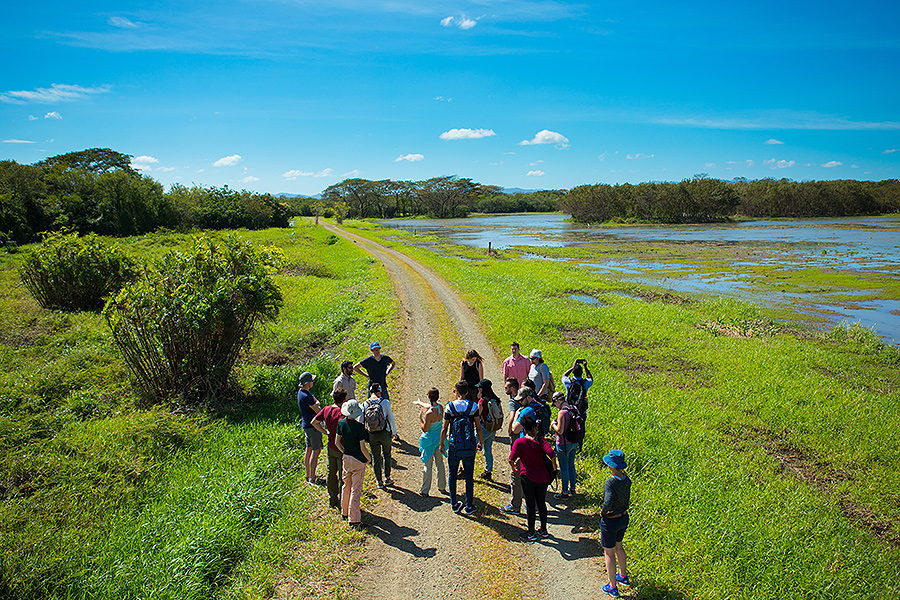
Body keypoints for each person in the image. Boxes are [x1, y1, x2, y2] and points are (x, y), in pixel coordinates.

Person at [508, 414, 556, 542]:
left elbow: (511, 459)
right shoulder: (541, 440)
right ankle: (544, 530)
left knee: (530, 505)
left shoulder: (520, 442)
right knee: (541, 503)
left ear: (524, 429)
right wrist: (554, 467)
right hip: (543, 477)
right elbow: (552, 454)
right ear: (535, 428)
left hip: (528, 477)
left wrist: (514, 467)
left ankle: (531, 533)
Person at [440, 381, 483, 515]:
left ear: (456, 392)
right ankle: (469, 505)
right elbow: (478, 427)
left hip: (455, 445)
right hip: (469, 445)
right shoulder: (473, 406)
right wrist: (480, 442)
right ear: (467, 392)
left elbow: (444, 428)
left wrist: (442, 444)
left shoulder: (450, 406)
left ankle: (454, 504)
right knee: (469, 476)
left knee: (452, 474)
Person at [600, 449, 631, 597]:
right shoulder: (626, 479)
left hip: (611, 520)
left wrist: (603, 512)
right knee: (619, 546)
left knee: (609, 553)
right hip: (623, 517)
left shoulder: (610, 482)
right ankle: (623, 576)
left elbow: (608, 502)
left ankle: (612, 586)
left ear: (611, 465)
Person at [336, 399, 371, 527]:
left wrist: (345, 452)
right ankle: (354, 519)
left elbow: (337, 442)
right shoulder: (360, 427)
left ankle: (344, 511)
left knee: (346, 486)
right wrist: (368, 458)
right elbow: (362, 447)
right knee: (356, 489)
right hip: (358, 460)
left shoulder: (341, 423)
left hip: (346, 458)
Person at [500, 386, 534, 515]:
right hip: (535, 446)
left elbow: (515, 429)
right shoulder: (538, 406)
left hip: (524, 447)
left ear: (528, 397)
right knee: (532, 477)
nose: (520, 402)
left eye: (521, 399)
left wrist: (517, 415)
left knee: (516, 475)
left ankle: (515, 506)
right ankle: (534, 505)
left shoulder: (526, 411)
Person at [311, 388, 346, 509]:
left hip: (331, 446)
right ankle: (342, 501)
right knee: (342, 475)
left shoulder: (326, 409)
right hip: (341, 446)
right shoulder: (342, 413)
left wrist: (325, 432)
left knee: (331, 473)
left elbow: (314, 422)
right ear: (344, 400)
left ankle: (332, 499)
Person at [360, 382, 398, 489]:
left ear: (370, 392)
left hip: (372, 434)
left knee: (375, 457)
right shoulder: (385, 402)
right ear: (380, 392)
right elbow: (391, 418)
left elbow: (361, 421)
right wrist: (394, 432)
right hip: (385, 432)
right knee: (387, 455)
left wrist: (362, 435)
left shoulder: (364, 404)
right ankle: (387, 478)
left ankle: (379, 481)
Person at [415, 387, 447, 497]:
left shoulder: (428, 414)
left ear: (428, 396)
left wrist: (420, 417)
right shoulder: (440, 407)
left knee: (428, 465)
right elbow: (431, 406)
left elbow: (425, 429)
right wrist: (420, 403)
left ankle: (425, 490)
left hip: (429, 441)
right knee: (440, 463)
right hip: (439, 439)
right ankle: (442, 486)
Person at [550, 391, 578, 498]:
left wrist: (553, 424)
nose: (556, 406)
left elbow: (560, 431)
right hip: (574, 442)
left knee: (564, 468)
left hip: (563, 444)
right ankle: (573, 488)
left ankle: (564, 492)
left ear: (557, 401)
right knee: (571, 465)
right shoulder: (574, 408)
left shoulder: (562, 412)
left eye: (555, 403)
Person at [297, 371, 322, 484]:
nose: (313, 382)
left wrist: (316, 403)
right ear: (307, 383)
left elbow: (315, 401)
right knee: (316, 451)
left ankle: (308, 474)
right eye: (312, 380)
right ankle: (312, 477)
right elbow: (318, 410)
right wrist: (318, 405)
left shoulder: (302, 392)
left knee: (309, 449)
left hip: (306, 425)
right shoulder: (306, 396)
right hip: (313, 426)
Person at [475, 379, 502, 481]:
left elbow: (477, 415)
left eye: (479, 387)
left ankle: (466, 470)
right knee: (488, 450)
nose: (478, 389)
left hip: (483, 428)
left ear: (483, 389)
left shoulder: (482, 401)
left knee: (472, 449)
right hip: (492, 428)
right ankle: (488, 471)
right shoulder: (495, 399)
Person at [354, 342, 397, 406]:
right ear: (372, 350)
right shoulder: (368, 360)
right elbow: (355, 367)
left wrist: (387, 371)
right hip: (372, 387)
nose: (377, 351)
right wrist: (366, 375)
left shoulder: (385, 358)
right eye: (375, 350)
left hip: (383, 385)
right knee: (371, 406)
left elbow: (393, 363)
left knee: (386, 405)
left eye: (378, 349)